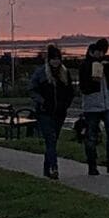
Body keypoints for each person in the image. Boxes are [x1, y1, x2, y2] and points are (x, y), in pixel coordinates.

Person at [30, 44, 75, 180]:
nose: (56, 61)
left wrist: (65, 105)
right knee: (50, 139)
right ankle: (53, 167)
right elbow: (32, 89)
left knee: (53, 142)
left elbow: (70, 92)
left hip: (59, 113)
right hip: (45, 112)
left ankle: (46, 169)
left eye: (58, 58)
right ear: (49, 59)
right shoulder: (41, 73)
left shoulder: (64, 73)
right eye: (53, 58)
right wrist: (42, 102)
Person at [79, 38, 109, 175]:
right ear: (91, 52)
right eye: (97, 52)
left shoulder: (108, 61)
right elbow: (84, 87)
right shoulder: (85, 65)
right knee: (91, 137)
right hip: (92, 106)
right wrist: (94, 72)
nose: (100, 54)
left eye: (102, 52)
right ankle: (92, 166)